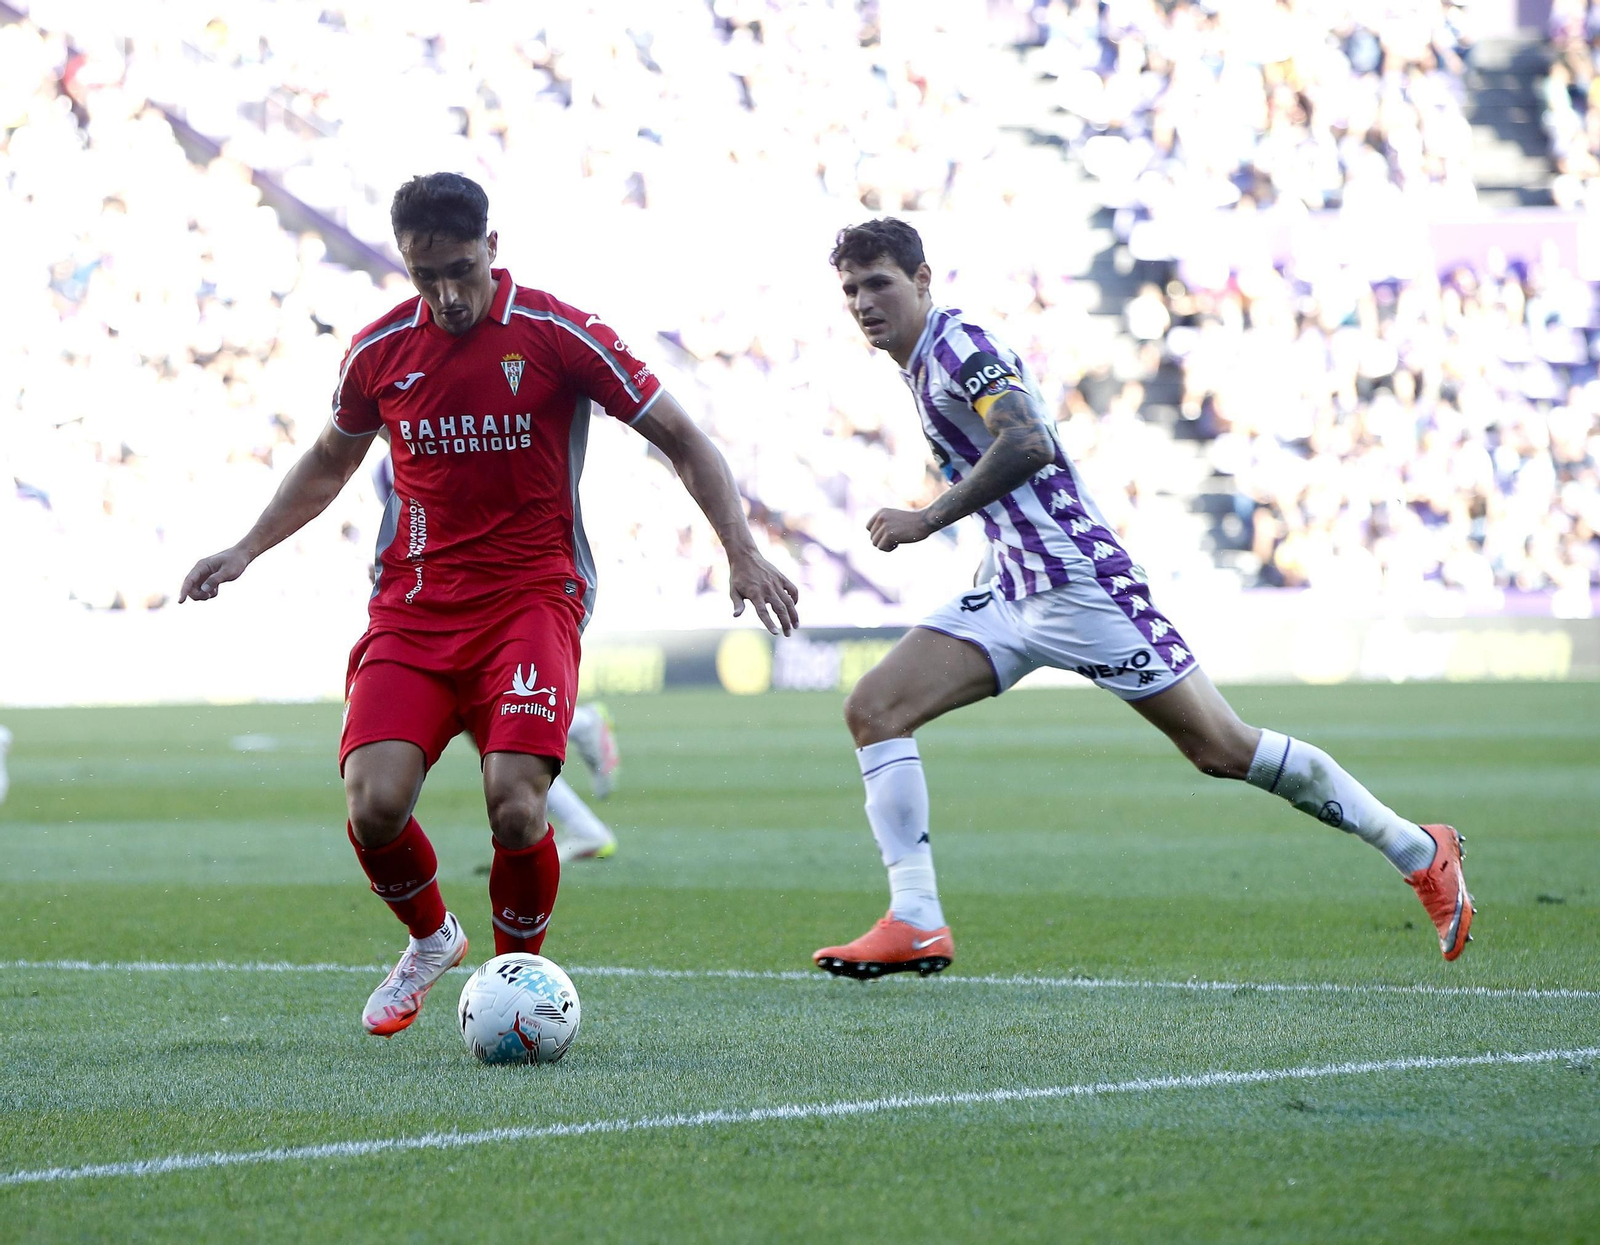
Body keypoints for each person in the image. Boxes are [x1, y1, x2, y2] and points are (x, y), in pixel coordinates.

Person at [182, 173, 799, 1036]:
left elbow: (683, 439)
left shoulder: (557, 332)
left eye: (461, 270)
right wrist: (246, 547)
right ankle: (432, 939)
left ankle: (519, 980)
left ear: (492, 249)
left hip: (533, 598)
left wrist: (741, 548)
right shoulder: (379, 350)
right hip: (414, 607)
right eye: (425, 275)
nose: (446, 295)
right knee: (373, 805)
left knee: (515, 798)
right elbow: (328, 461)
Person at [811, 218, 1472, 979]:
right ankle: (916, 919)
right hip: (1013, 588)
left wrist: (927, 518)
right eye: (851, 290)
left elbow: (1028, 442)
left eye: (880, 284)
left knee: (1222, 749)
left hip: (1080, 584)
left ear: (923, 280)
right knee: (875, 709)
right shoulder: (921, 361)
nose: (863, 303)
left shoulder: (959, 345)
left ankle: (1418, 849)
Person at [371, 449, 622, 863]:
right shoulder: (395, 457)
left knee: (500, 735)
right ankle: (584, 812)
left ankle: (583, 766)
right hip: (446, 600)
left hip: (500, 600)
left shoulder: (430, 444)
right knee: (496, 737)